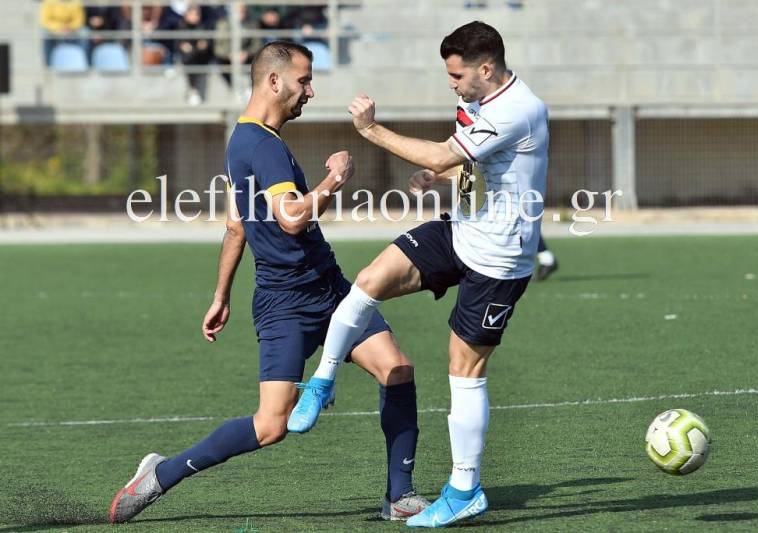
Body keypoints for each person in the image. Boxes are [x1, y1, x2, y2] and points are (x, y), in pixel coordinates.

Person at [108, 40, 429, 524]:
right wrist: (335, 179)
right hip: (286, 302)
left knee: (397, 369)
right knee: (271, 425)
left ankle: (399, 496)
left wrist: (221, 295)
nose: (310, 91)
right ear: (274, 81)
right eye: (304, 80)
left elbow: (236, 225)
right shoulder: (261, 145)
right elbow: (293, 218)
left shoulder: (244, 140)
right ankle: (160, 474)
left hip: (330, 288)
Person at [288, 21, 549, 527]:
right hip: (463, 228)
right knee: (370, 281)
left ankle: (465, 489)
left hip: (499, 257)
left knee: (464, 370)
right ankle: (321, 381)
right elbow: (468, 160)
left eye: (456, 76)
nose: (451, 84)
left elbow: (443, 150)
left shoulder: (518, 108)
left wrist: (371, 130)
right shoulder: (482, 99)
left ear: (486, 69)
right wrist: (440, 174)